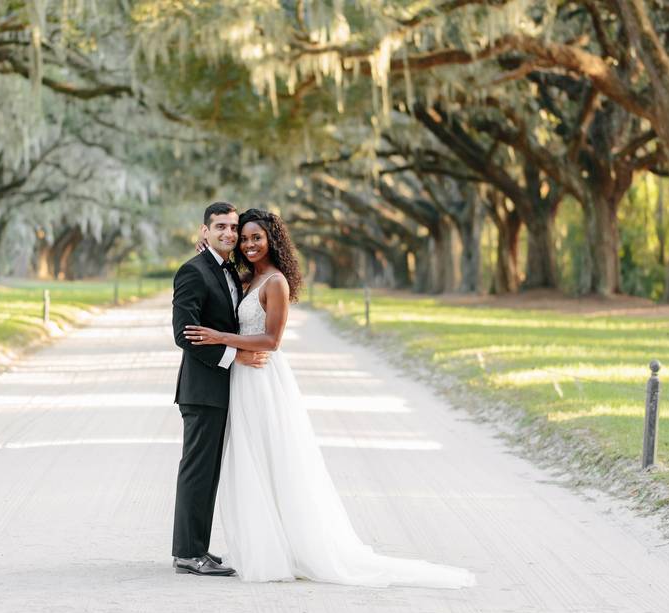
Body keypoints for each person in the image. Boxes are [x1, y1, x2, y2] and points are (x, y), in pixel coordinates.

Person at [183, 208, 475, 588]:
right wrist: (206, 247)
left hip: (263, 378)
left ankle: (292, 547)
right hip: (242, 378)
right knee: (250, 461)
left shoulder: (276, 283)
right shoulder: (244, 278)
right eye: (245, 237)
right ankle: (262, 544)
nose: (250, 243)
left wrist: (222, 338)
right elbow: (216, 279)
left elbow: (272, 340)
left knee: (274, 459)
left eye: (257, 237)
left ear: (274, 240)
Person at [170, 201, 268, 577]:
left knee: (208, 472)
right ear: (204, 231)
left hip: (224, 391)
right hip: (202, 390)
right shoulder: (193, 272)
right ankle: (187, 553)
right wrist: (234, 356)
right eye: (221, 227)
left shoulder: (229, 270)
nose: (229, 233)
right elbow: (185, 334)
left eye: (233, 227)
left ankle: (198, 548)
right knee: (197, 471)